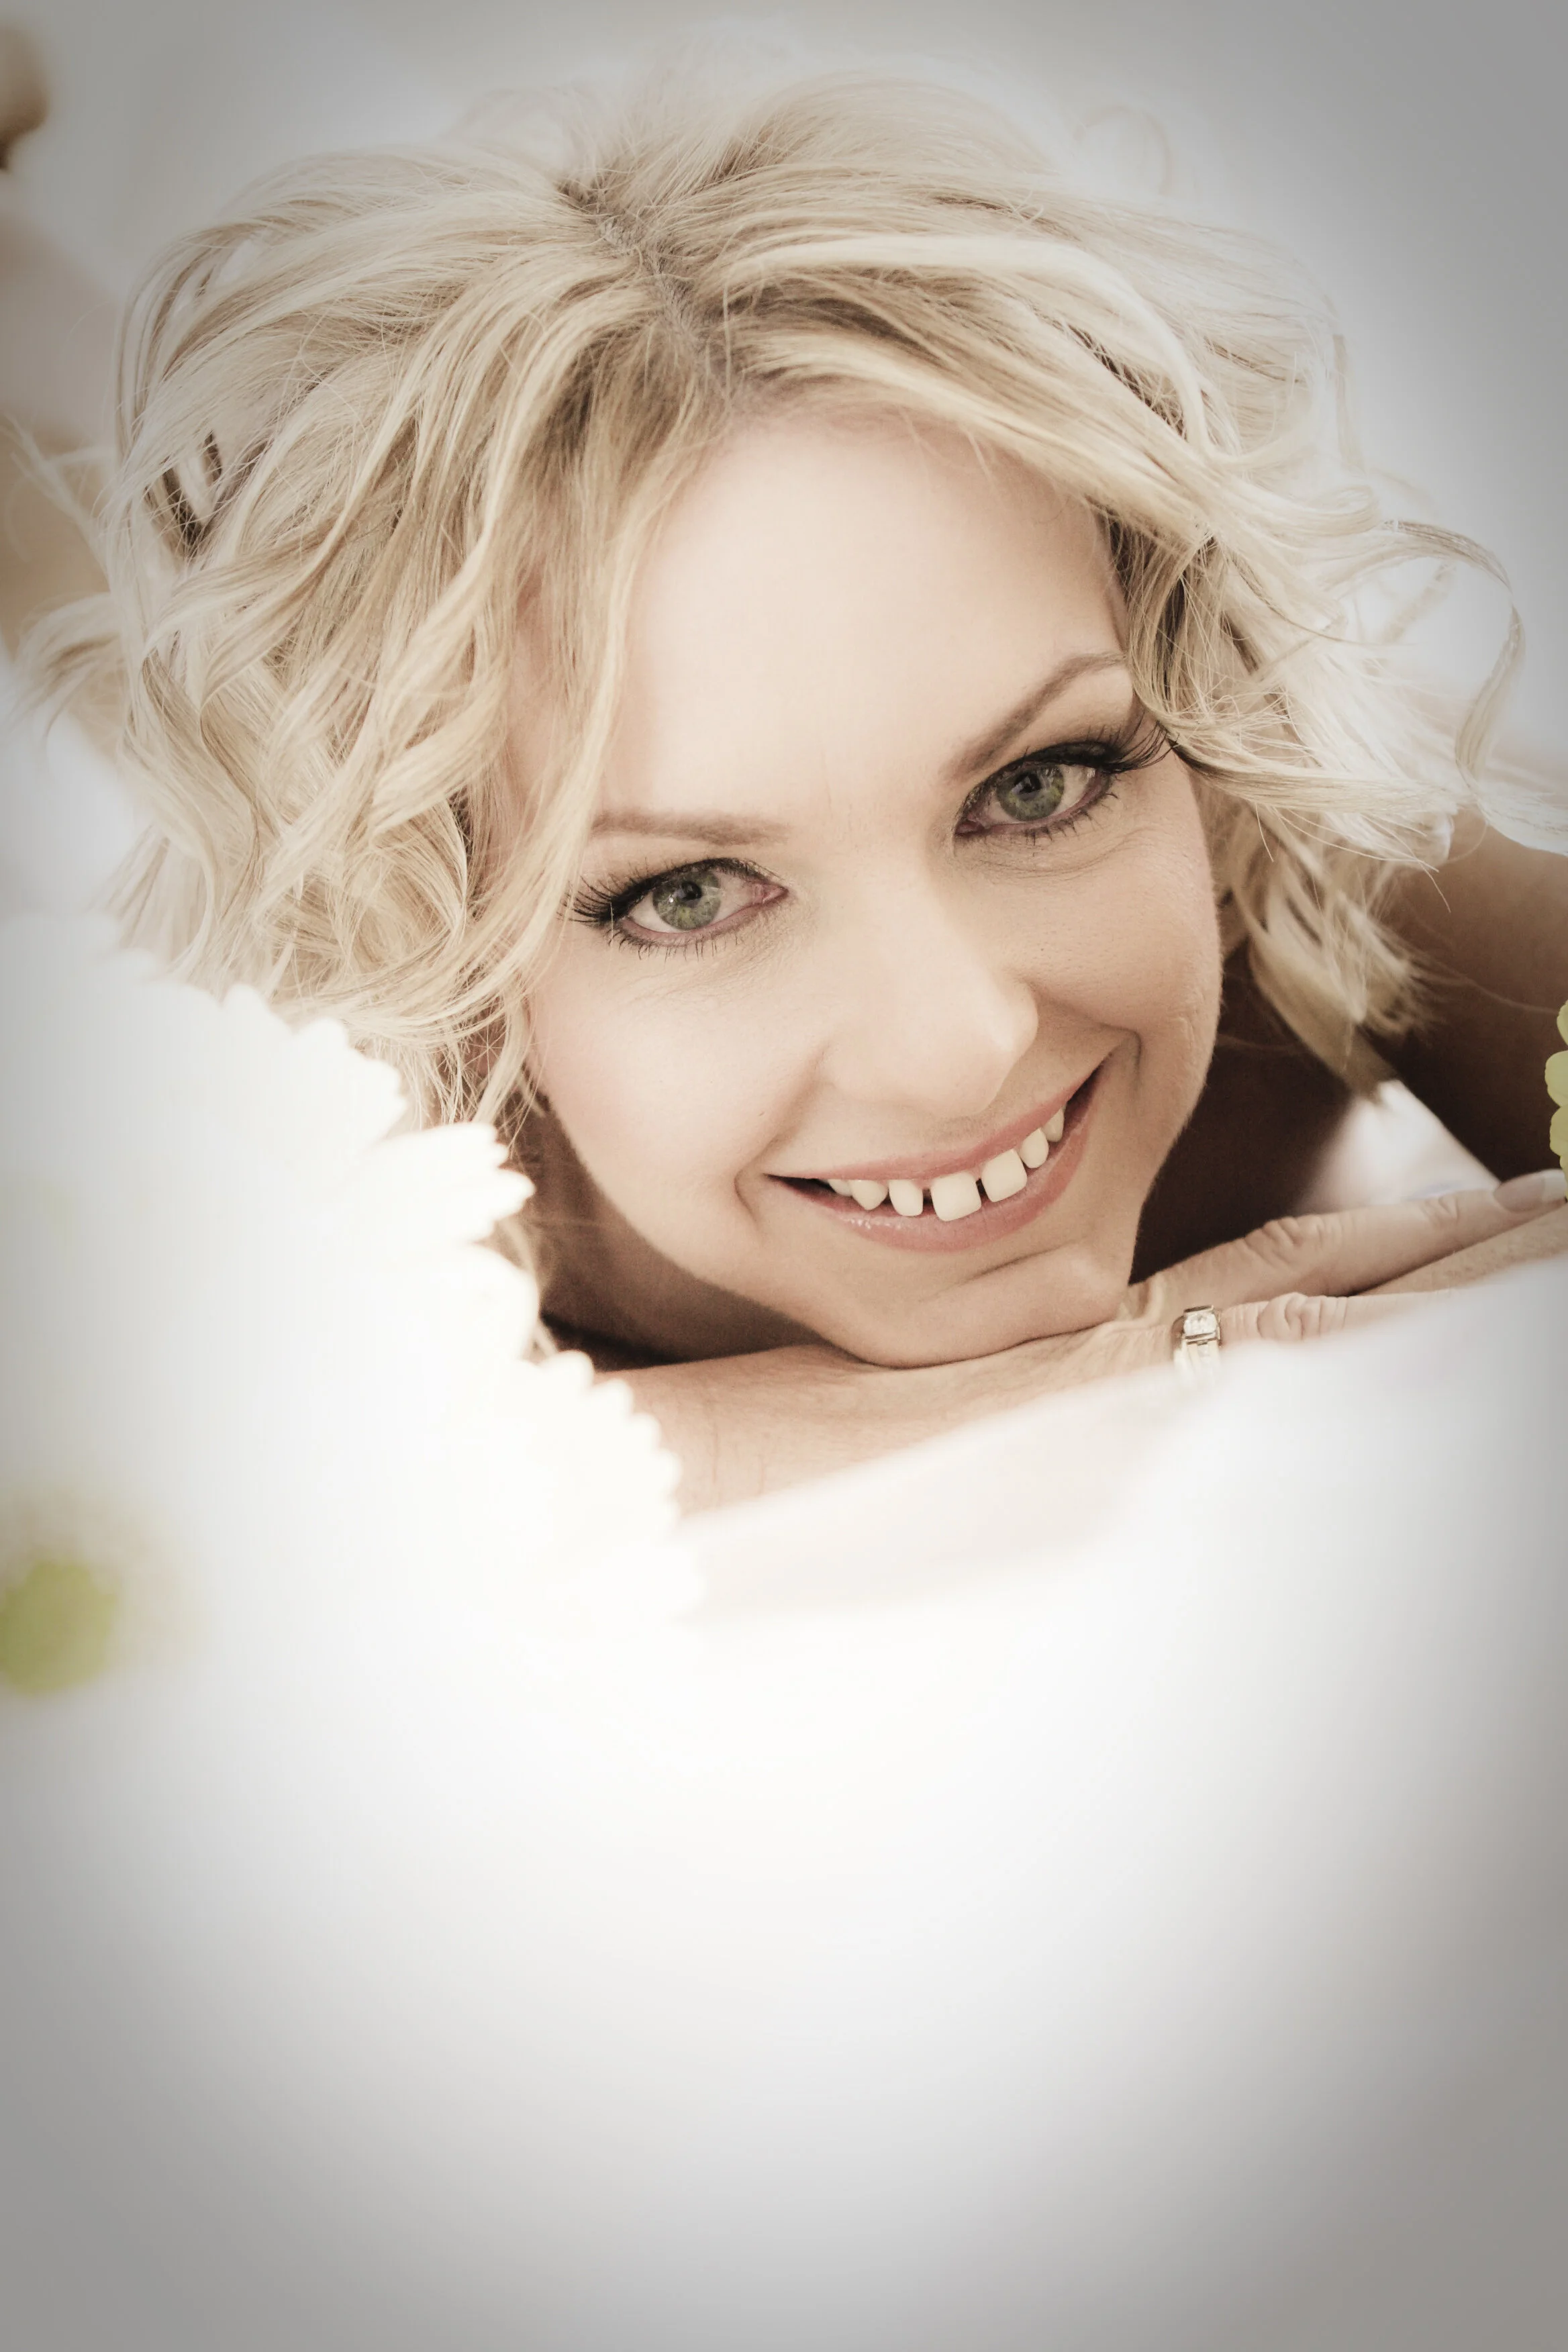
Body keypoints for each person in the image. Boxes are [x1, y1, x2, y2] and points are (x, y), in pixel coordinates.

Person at [24, 67, 1568, 1508]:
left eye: (1039, 787)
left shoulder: (1301, 807)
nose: (959, 1052)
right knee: (96, 555)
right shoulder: (316, 1149)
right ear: (442, 962)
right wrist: (755, 1424)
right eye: (688, 895)